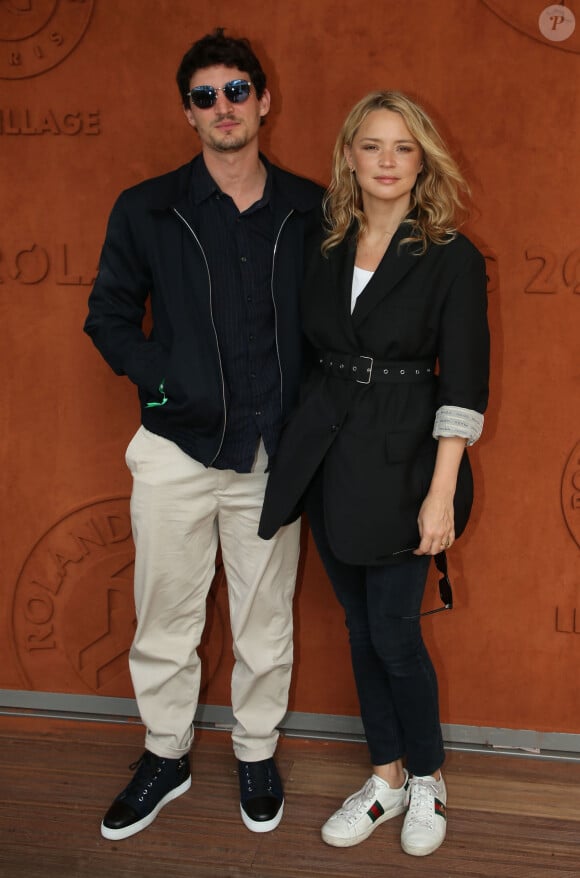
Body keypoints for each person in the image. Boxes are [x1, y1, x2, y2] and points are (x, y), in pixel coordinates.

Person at [84, 28, 322, 840]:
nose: (223, 107)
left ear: (264, 101)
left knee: (266, 621)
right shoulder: (147, 208)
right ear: (189, 114)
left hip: (270, 457)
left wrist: (309, 421)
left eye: (237, 91)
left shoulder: (310, 208)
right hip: (175, 452)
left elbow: (334, 324)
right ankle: (166, 753)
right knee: (165, 618)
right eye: (205, 96)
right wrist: (165, 383)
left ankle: (256, 751)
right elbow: (108, 317)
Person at [259, 91, 490, 857]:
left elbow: (461, 385)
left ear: (422, 161)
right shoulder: (321, 246)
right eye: (372, 146)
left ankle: (427, 776)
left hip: (406, 463)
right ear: (349, 157)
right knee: (360, 631)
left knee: (394, 635)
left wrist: (439, 493)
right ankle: (385, 777)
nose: (386, 162)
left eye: (402, 148)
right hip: (329, 458)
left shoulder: (451, 255)